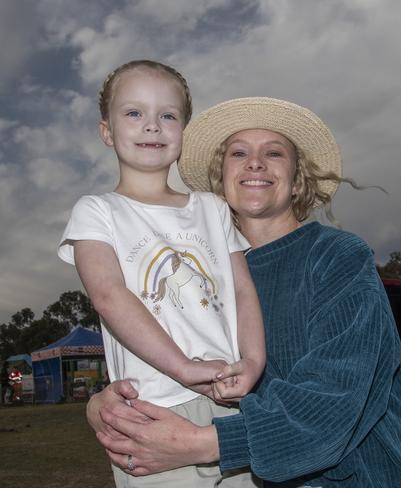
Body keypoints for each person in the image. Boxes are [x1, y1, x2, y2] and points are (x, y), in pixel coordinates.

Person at [88, 97, 401, 487]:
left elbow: (336, 397)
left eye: (275, 153)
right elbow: (172, 359)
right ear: (220, 178)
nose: (255, 163)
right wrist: (106, 404)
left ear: (298, 179)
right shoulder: (203, 276)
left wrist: (202, 443)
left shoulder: (337, 257)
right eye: (239, 153)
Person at [58, 62, 265, 487]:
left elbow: (243, 291)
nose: (152, 126)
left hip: (232, 403)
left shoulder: (212, 208)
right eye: (134, 113)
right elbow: (110, 297)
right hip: (154, 409)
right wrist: (184, 369)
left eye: (167, 115)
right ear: (106, 132)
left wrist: (253, 362)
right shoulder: (97, 211)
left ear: (182, 133)